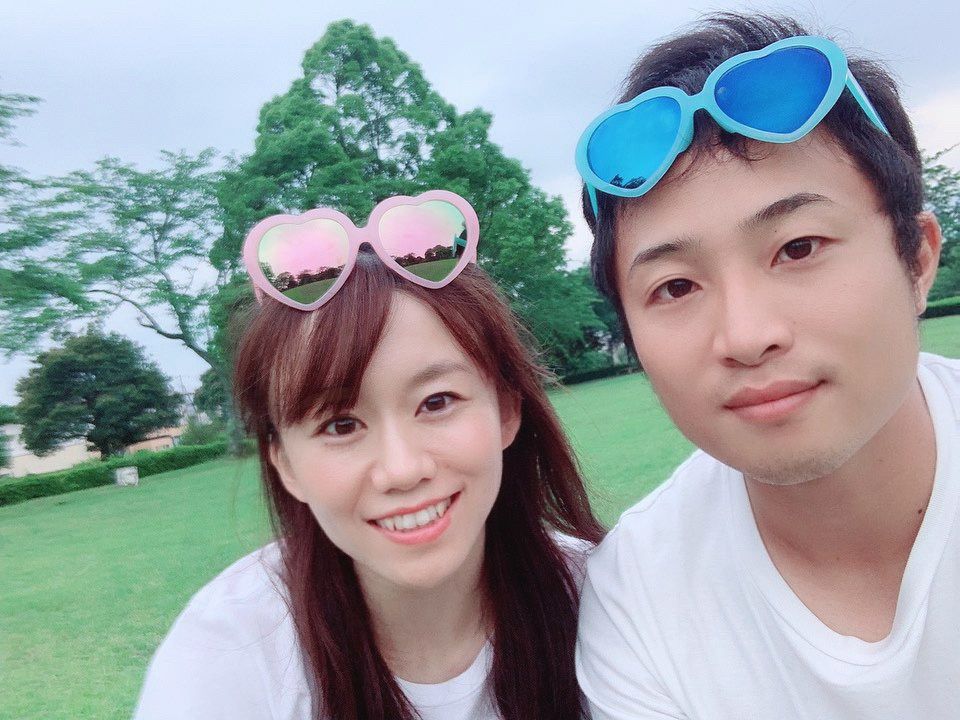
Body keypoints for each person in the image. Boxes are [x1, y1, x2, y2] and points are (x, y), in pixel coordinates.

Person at [573, 13, 958, 720]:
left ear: (918, 258)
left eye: (799, 248)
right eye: (676, 287)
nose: (746, 336)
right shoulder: (637, 601)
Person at [134, 190, 604, 719]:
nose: (402, 470)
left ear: (507, 410)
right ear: (283, 463)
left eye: (437, 402)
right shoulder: (226, 657)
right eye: (341, 425)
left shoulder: (605, 598)